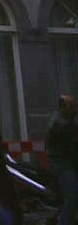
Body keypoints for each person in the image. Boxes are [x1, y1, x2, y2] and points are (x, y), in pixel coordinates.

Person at [45, 95, 78, 225]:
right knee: (73, 195)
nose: (75, 109)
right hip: (61, 163)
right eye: (72, 107)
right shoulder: (61, 124)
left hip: (65, 161)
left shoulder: (66, 120)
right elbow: (71, 148)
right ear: (64, 107)